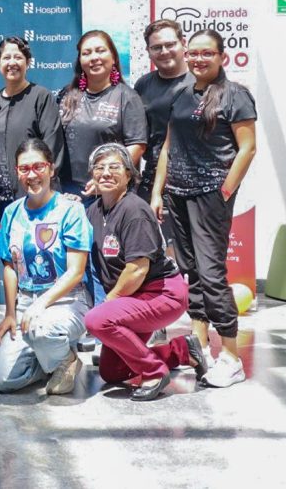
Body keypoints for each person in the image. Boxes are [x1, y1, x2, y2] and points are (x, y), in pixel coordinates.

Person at [151, 29, 257, 389]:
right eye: (193, 53)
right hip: (177, 194)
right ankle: (198, 346)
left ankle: (231, 356)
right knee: (191, 272)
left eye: (206, 53)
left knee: (211, 274)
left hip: (211, 195)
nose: (198, 59)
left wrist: (225, 190)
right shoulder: (181, 94)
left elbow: (248, 148)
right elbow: (168, 147)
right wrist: (158, 191)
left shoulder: (235, 94)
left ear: (221, 57)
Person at [83, 143, 207, 401]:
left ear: (129, 174)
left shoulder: (134, 210)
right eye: (99, 167)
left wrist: (109, 303)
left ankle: (154, 372)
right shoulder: (93, 211)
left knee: (97, 320)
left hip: (162, 294)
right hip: (134, 297)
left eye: (114, 167)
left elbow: (137, 270)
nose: (106, 173)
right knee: (112, 372)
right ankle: (182, 350)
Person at [0, 138, 93, 395]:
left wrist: (41, 304)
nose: (32, 175)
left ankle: (65, 359)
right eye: (24, 169)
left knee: (41, 328)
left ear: (51, 169)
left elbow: (76, 271)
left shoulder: (70, 210)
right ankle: (50, 360)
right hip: (25, 301)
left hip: (67, 300)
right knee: (2, 381)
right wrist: (10, 314)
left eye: (38, 167)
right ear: (17, 172)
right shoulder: (11, 212)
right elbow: (9, 267)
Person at [0, 37, 64, 234]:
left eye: (18, 57)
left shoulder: (41, 97)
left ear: (28, 62)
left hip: (35, 195)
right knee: (7, 251)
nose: (12, 62)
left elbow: (52, 147)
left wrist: (42, 185)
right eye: (6, 57)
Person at [57, 30, 147, 203]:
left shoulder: (127, 97)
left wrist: (106, 178)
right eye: (87, 53)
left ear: (113, 58)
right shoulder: (65, 96)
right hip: (68, 194)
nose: (94, 57)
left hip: (109, 193)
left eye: (100, 50)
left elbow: (137, 145)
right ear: (80, 61)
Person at [133, 19, 192, 202]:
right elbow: (137, 137)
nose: (164, 51)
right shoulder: (143, 84)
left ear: (183, 43)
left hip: (195, 180)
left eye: (170, 44)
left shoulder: (203, 82)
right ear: (148, 51)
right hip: (152, 177)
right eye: (157, 47)